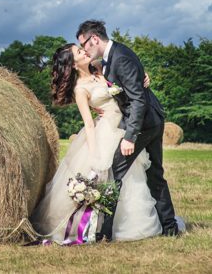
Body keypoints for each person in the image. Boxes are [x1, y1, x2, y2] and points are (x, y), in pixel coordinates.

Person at [31, 42, 163, 243]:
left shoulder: (101, 66)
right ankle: (100, 227)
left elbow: (128, 71)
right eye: (78, 52)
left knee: (132, 178)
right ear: (73, 64)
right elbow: (89, 125)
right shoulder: (80, 89)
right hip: (105, 132)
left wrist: (143, 76)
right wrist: (94, 155)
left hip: (126, 126)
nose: (84, 51)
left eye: (81, 48)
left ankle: (128, 223)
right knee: (108, 176)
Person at [76, 20, 179, 240]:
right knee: (155, 174)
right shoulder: (110, 58)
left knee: (115, 171)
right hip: (151, 120)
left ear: (94, 39)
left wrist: (130, 137)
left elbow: (138, 100)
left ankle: (104, 233)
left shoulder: (120, 57)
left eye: (83, 45)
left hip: (144, 124)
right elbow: (129, 88)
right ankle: (170, 228)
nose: (84, 50)